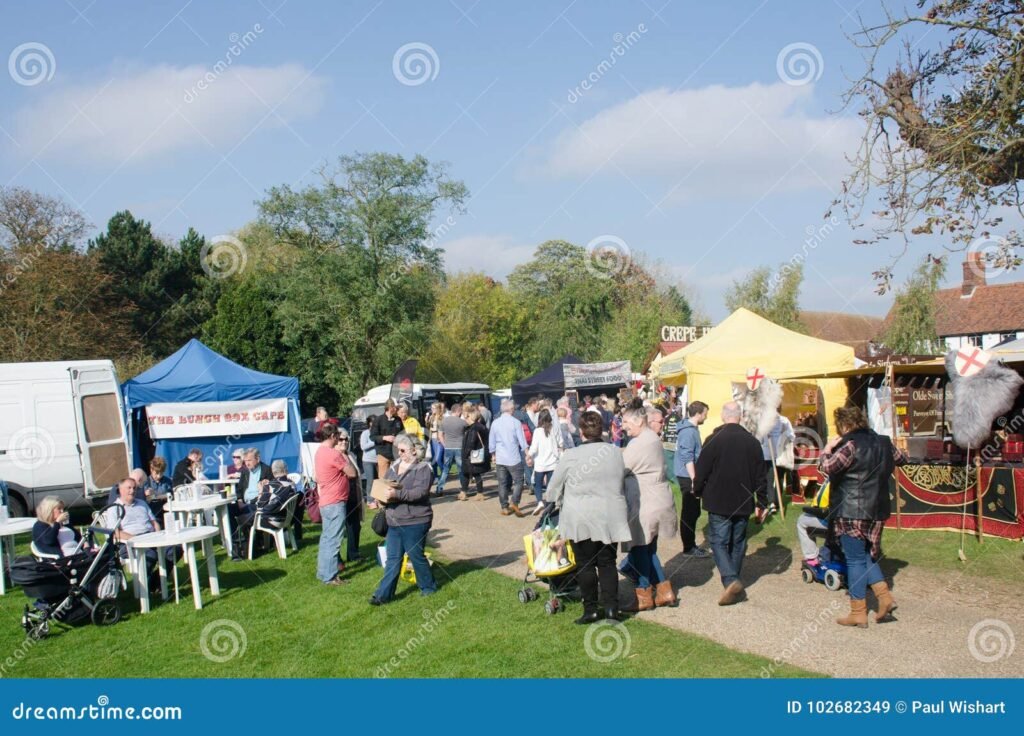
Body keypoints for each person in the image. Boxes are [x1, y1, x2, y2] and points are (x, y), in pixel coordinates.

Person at [820, 406, 907, 627]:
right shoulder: (884, 442)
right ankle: (885, 597)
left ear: (844, 425)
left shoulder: (850, 444)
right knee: (864, 554)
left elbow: (827, 466)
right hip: (877, 509)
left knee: (855, 559)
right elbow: (902, 459)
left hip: (851, 510)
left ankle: (858, 613)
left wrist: (828, 448)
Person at [547, 411, 632, 624]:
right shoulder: (614, 452)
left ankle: (591, 610)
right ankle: (612, 609)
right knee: (607, 563)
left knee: (585, 565)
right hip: (609, 515)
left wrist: (558, 499)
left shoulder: (570, 455)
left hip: (580, 516)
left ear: (582, 431)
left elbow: (553, 488)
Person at [694, 401, 768, 606]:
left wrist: (697, 490)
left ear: (723, 416)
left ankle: (731, 580)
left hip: (719, 499)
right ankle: (733, 581)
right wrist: (762, 502)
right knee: (737, 541)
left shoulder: (714, 439)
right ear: (741, 416)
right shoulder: (752, 442)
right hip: (742, 500)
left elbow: (701, 470)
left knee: (718, 541)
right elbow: (762, 476)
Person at [621, 405, 679, 609]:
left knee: (639, 548)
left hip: (645, 502)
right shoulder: (652, 438)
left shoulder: (639, 443)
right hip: (658, 498)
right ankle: (665, 592)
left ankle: (644, 595)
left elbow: (621, 468)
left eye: (626, 422)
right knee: (649, 549)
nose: (623, 426)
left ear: (638, 421)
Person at [370, 434, 437, 604]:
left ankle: (428, 588)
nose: (399, 453)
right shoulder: (395, 465)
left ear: (414, 451)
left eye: (402, 450)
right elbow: (385, 483)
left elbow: (420, 493)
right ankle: (382, 596)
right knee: (393, 559)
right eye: (398, 450)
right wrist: (380, 495)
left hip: (415, 520)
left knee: (416, 556)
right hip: (394, 520)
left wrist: (396, 494)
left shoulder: (424, 468)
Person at [315, 424, 357, 585]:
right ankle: (331, 576)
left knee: (326, 538)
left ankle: (323, 572)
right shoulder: (333, 454)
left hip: (326, 501)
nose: (339, 441)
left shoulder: (319, 452)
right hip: (335, 501)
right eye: (338, 438)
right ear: (332, 436)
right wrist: (345, 459)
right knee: (334, 539)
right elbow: (352, 473)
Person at [236, 460, 298, 556]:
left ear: (273, 472)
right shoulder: (292, 484)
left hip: (272, 520)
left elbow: (260, 506)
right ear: (286, 470)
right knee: (249, 508)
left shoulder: (270, 486)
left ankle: (252, 548)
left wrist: (261, 490)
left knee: (242, 517)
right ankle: (262, 544)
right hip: (286, 517)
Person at [675, 401, 712, 558]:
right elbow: (687, 457)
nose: (706, 416)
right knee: (690, 512)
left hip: (687, 474)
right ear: (698, 413)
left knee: (693, 511)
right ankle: (688, 547)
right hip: (687, 475)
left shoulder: (690, 429)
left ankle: (690, 545)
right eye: (705, 413)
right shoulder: (688, 432)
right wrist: (694, 479)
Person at [488, 399, 528, 517]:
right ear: (511, 409)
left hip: (500, 457)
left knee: (502, 483)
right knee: (519, 480)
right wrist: (527, 453)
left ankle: (504, 506)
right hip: (513, 457)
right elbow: (522, 440)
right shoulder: (516, 422)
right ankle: (514, 502)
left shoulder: (495, 422)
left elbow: (491, 441)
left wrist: (493, 455)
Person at [526, 408, 560, 514]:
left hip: (540, 464)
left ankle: (540, 501)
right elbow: (560, 443)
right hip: (553, 462)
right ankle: (550, 505)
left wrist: (529, 455)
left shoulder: (537, 431)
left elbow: (534, 447)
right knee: (550, 485)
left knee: (537, 484)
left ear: (539, 419)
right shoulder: (553, 429)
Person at [762, 411, 796, 514]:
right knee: (769, 479)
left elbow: (792, 436)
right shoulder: (764, 421)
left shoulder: (784, 421)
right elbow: (759, 438)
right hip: (768, 455)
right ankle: (771, 502)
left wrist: (784, 435)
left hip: (781, 456)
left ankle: (777, 502)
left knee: (780, 479)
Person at [338, 429, 364, 563]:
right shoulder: (334, 456)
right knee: (337, 531)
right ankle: (336, 561)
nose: (344, 442)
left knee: (354, 526)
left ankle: (353, 554)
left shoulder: (350, 455)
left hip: (353, 497)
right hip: (339, 498)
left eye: (346, 439)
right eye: (340, 439)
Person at [436, 402, 467, 496]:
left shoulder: (444, 421)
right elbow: (466, 435)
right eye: (460, 411)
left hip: (448, 447)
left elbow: (440, 435)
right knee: (461, 469)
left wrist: (444, 445)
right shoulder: (463, 422)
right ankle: (463, 489)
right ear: (458, 411)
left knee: (445, 469)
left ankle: (439, 488)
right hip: (459, 447)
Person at [459, 406, 489, 501]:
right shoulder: (481, 427)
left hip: (471, 454)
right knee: (475, 473)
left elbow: (470, 443)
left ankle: (465, 492)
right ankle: (477, 493)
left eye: (466, 417)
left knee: (467, 473)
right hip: (477, 453)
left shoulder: (473, 428)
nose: (465, 419)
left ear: (470, 416)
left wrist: (465, 454)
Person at [370, 399, 404, 481]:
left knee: (398, 477)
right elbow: (372, 437)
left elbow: (403, 433)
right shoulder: (378, 420)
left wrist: (399, 438)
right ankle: (383, 493)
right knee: (384, 478)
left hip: (396, 453)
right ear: (390, 408)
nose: (397, 409)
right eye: (396, 407)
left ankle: (396, 493)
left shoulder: (398, 420)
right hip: (383, 453)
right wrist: (385, 438)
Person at [360, 415, 379, 510]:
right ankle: (370, 500)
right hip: (368, 461)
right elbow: (363, 447)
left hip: (378, 460)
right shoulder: (365, 433)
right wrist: (375, 441)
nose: (374, 423)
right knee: (370, 481)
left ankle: (377, 499)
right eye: (372, 421)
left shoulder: (378, 432)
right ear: (369, 423)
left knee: (378, 481)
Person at [426, 402, 446, 482]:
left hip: (439, 439)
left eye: (433, 408)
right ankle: (436, 476)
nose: (432, 410)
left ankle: (444, 473)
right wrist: (426, 421)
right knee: (433, 460)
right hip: (432, 439)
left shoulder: (442, 418)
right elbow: (428, 427)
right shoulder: (431, 417)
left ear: (438, 409)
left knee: (438, 459)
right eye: (431, 408)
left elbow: (443, 429)